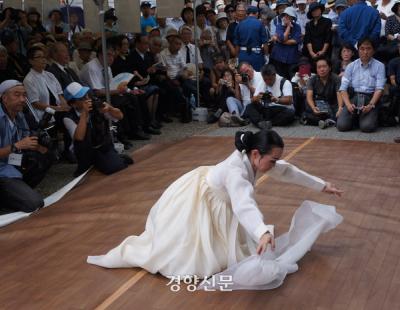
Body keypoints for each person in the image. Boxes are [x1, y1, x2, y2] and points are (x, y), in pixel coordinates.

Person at [87, 129, 342, 278]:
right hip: (201, 198)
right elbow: (244, 205)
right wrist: (262, 231)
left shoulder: (255, 158)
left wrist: (321, 185)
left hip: (218, 197)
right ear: (256, 154)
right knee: (183, 253)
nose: (274, 165)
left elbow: (286, 171)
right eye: (272, 160)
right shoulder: (236, 172)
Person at [0, 80, 51, 213]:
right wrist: (18, 145)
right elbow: (19, 144)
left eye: (24, 95)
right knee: (35, 203)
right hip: (2, 170)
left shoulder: (20, 115)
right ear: (4, 98)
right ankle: (8, 196)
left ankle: (16, 192)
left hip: (12, 162)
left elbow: (25, 138)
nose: (22, 99)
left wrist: (37, 146)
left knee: (45, 157)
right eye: (17, 95)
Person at [63, 82, 133, 176]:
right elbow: (79, 137)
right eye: (82, 98)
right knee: (84, 175)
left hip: (102, 144)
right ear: (73, 104)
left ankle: (116, 158)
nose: (87, 99)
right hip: (85, 150)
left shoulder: (96, 105)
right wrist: (84, 113)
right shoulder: (68, 117)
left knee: (115, 167)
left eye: (86, 95)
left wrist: (110, 109)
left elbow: (120, 116)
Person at [337, 37, 386, 133]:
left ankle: (367, 117)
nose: (365, 52)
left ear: (373, 50)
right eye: (362, 49)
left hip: (370, 98)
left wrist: (371, 105)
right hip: (354, 97)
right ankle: (358, 117)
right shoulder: (351, 66)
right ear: (358, 50)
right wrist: (347, 104)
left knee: (367, 127)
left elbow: (379, 89)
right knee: (342, 126)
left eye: (368, 48)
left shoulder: (380, 66)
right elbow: (343, 88)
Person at [243, 64, 295, 129]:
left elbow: (289, 100)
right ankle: (261, 122)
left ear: (274, 75)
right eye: (265, 79)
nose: (267, 82)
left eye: (270, 79)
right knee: (249, 107)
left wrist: (277, 100)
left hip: (280, 109)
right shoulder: (262, 82)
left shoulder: (284, 82)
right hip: (266, 108)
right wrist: (257, 98)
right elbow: (253, 99)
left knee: (290, 113)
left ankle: (267, 122)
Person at [303, 58, 342, 128]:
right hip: (319, 104)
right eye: (319, 67)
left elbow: (339, 94)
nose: (322, 69)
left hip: (333, 104)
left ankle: (318, 120)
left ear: (329, 68)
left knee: (340, 115)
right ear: (316, 69)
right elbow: (309, 96)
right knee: (307, 103)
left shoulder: (336, 78)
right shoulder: (312, 79)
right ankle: (327, 120)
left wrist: (340, 108)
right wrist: (313, 107)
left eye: (324, 66)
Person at [234, 6, 268, 71]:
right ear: (257, 13)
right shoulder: (260, 24)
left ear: (247, 13)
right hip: (256, 55)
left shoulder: (240, 24)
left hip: (243, 54)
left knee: (244, 77)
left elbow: (237, 44)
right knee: (257, 77)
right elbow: (265, 42)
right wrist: (266, 56)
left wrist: (237, 57)